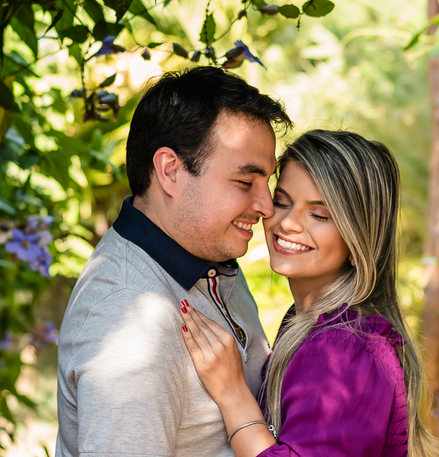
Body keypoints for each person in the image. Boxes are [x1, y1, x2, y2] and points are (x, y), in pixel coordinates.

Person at [55, 66, 291, 457]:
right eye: (245, 182)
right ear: (170, 171)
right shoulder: (128, 321)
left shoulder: (206, 255)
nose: (267, 206)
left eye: (267, 182)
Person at [178, 130, 437, 457]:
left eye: (319, 215)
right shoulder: (311, 324)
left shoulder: (344, 349)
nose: (288, 224)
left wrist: (232, 394)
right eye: (282, 202)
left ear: (359, 238)